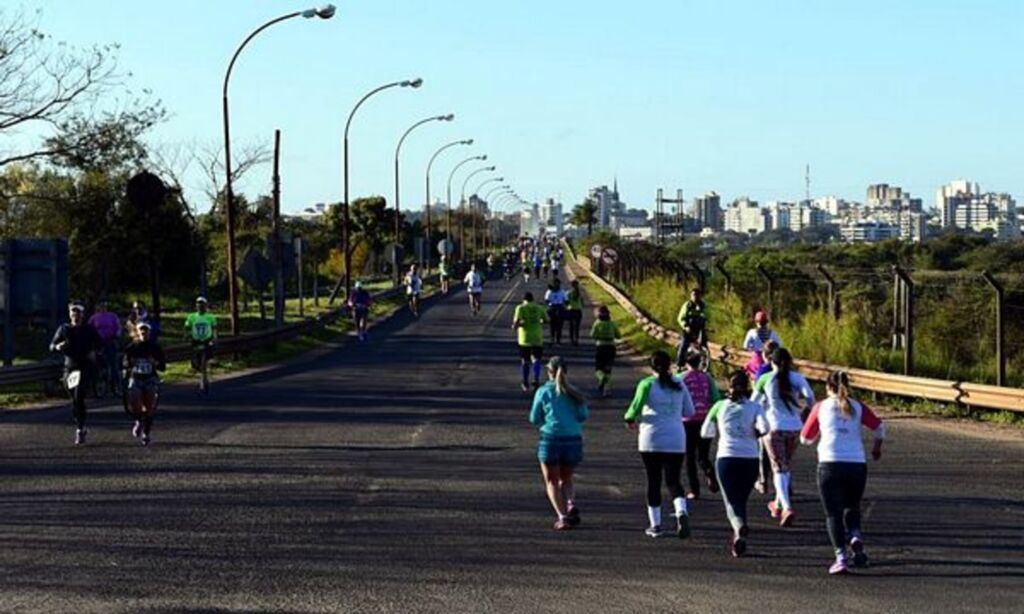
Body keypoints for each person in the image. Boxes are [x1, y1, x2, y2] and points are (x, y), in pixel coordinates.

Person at [801, 370, 886, 574]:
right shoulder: (858, 407)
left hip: (830, 464)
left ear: (828, 387)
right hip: (856, 464)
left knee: (833, 514)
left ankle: (841, 556)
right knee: (852, 506)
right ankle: (855, 535)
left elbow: (805, 438)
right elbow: (880, 428)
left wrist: (820, 433)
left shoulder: (821, 407)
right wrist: (876, 448)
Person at [624, 350, 696, 539]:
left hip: (651, 439)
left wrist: (630, 419)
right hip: (676, 438)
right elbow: (690, 410)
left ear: (651, 366)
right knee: (673, 480)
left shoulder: (647, 384)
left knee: (653, 481)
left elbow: (635, 408)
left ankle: (655, 525)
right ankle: (681, 512)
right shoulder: (679, 384)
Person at [701, 370, 769, 557]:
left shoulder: (719, 406)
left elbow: (705, 432)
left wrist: (722, 429)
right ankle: (739, 539)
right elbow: (765, 428)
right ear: (748, 386)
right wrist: (752, 433)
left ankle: (739, 528)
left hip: (727, 458)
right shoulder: (755, 407)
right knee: (741, 500)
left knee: (731, 502)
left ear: (728, 386)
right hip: (750, 459)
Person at [752, 347, 815, 527]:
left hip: (774, 426)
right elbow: (810, 396)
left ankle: (786, 507)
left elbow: (754, 402)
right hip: (795, 427)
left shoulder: (765, 379)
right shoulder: (797, 378)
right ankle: (778, 504)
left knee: (778, 468)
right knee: (785, 466)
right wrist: (805, 412)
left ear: (771, 362)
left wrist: (758, 419)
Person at [529, 357, 590, 530]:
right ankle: (570, 503)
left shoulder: (543, 392)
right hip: (573, 440)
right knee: (567, 478)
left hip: (551, 438)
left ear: (548, 371)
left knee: (552, 481)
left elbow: (534, 418)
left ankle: (562, 516)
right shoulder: (574, 392)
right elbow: (583, 416)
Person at [50, 302, 103, 445]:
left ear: (82, 314)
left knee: (79, 396)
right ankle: (80, 422)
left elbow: (100, 344)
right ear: (69, 314)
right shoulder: (64, 329)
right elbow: (52, 345)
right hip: (70, 368)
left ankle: (80, 429)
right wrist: (58, 346)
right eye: (73, 312)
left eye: (78, 312)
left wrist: (94, 352)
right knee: (74, 399)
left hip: (84, 366)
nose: (75, 315)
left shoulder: (89, 329)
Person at [681, 350, 722, 499]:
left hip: (687, 420)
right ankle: (709, 471)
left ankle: (694, 489)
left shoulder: (681, 378)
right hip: (705, 419)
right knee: (703, 455)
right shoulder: (707, 378)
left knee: (689, 456)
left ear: (686, 363)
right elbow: (716, 397)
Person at [123, 321, 166, 446]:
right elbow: (124, 363)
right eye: (141, 330)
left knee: (149, 407)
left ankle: (146, 433)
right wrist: (130, 363)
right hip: (136, 378)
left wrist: (155, 363)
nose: (143, 332)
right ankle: (138, 420)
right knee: (135, 403)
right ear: (137, 332)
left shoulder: (155, 347)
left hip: (150, 379)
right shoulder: (131, 347)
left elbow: (163, 367)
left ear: (149, 332)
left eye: (146, 330)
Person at [513, 292, 549, 392]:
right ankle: (536, 378)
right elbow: (546, 320)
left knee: (525, 360)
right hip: (537, 337)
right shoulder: (539, 308)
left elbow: (516, 322)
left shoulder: (520, 308)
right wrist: (540, 322)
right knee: (536, 359)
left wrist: (516, 326)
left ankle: (525, 382)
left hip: (524, 338)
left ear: (524, 299)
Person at [88, 300, 123, 394]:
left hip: (110, 341)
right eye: (101, 305)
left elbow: (118, 327)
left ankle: (116, 386)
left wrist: (117, 334)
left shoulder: (112, 316)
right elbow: (89, 328)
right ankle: (96, 384)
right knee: (96, 363)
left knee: (113, 363)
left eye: (104, 305)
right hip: (98, 342)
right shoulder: (94, 317)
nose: (103, 307)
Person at [184, 296, 217, 394]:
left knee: (203, 363)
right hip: (196, 342)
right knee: (196, 364)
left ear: (206, 305)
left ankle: (203, 382)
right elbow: (187, 327)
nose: (200, 305)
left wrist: (215, 339)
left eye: (202, 303)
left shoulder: (210, 317)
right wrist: (186, 336)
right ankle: (204, 377)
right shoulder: (192, 317)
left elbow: (214, 329)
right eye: (198, 303)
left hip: (206, 341)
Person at [590, 305, 620, 397]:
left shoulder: (597, 323)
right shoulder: (612, 323)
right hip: (611, 347)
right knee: (608, 369)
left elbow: (593, 335)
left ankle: (601, 377)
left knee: (599, 368)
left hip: (601, 347)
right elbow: (618, 335)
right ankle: (606, 389)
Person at [676, 288, 709, 366]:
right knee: (684, 345)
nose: (696, 297)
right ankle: (679, 364)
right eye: (694, 295)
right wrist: (685, 326)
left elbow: (707, 316)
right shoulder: (687, 305)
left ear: (700, 296)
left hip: (700, 329)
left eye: (697, 295)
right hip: (689, 329)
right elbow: (680, 318)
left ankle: (705, 364)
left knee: (704, 345)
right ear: (691, 296)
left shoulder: (703, 305)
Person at [544, 278, 568, 344]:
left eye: (558, 284)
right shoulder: (549, 291)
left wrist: (564, 305)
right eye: (555, 284)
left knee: (560, 325)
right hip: (552, 307)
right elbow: (546, 300)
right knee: (552, 324)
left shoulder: (562, 291)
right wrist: (550, 302)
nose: (557, 285)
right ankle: (552, 337)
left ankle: (558, 339)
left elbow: (566, 300)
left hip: (560, 307)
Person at [564, 280, 584, 346]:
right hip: (578, 310)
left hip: (571, 310)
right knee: (577, 326)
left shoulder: (569, 293)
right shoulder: (580, 293)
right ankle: (576, 339)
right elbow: (582, 302)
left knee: (571, 326)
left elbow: (566, 302)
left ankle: (571, 339)